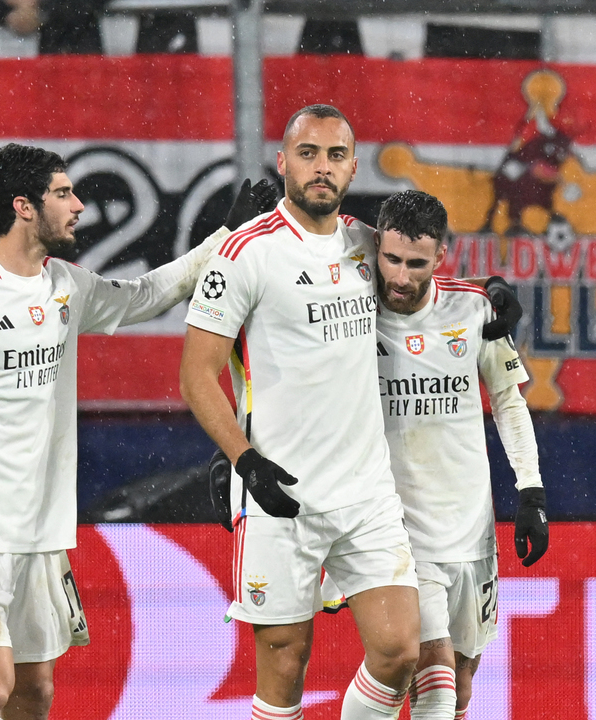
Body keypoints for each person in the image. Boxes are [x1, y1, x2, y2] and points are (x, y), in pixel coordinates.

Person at [0, 142, 273, 720]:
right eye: (63, 194)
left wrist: (226, 237)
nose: (78, 205)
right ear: (23, 206)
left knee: (36, 694)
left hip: (40, 528)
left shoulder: (66, 285)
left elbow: (148, 295)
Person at [180, 104, 425, 720]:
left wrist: (490, 299)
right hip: (276, 494)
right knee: (284, 669)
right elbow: (195, 374)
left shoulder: (369, 246)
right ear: (283, 162)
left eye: (336, 155)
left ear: (353, 167)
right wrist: (246, 462)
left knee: (399, 652)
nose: (323, 168)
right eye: (309, 154)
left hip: (366, 492)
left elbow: (429, 294)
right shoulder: (244, 254)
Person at [370, 190, 547, 719]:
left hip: (470, 530)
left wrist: (531, 491)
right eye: (392, 259)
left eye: (416, 264)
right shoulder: (350, 317)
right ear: (376, 248)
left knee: (459, 689)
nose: (401, 277)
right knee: (433, 675)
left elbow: (509, 405)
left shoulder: (473, 312)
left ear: (441, 256)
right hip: (396, 531)